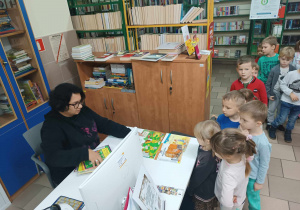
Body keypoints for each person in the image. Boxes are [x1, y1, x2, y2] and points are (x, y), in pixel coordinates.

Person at [41, 83, 131, 186]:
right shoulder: (51, 126)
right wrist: (85, 154)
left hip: (93, 159)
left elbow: (104, 124)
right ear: (61, 105)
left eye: (80, 102)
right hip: (71, 171)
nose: (80, 106)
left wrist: (129, 133)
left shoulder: (81, 110)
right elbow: (53, 157)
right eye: (75, 104)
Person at [211, 128, 256, 210]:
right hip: (239, 196)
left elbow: (226, 203)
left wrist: (222, 201)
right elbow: (251, 157)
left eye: (215, 150)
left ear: (227, 156)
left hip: (232, 205)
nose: (213, 151)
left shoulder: (228, 175)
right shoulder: (241, 154)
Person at [239, 100, 271, 210]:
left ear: (258, 123)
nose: (240, 122)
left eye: (244, 120)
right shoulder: (244, 130)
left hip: (252, 177)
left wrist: (259, 182)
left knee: (253, 199)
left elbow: (264, 164)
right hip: (240, 172)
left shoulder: (263, 143)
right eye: (240, 118)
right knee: (238, 195)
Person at [187, 120, 220, 210]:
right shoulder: (207, 147)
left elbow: (197, 179)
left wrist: (189, 189)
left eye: (197, 137)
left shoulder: (207, 159)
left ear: (208, 141)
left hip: (203, 192)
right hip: (208, 187)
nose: (196, 138)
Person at [265, 47, 297, 131]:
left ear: (291, 60)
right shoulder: (274, 69)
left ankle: (278, 123)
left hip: (285, 95)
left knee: (281, 110)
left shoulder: (293, 69)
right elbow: (268, 83)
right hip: (274, 92)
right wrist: (268, 94)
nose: (284, 62)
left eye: (287, 60)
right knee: (271, 109)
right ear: (279, 58)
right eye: (283, 59)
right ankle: (269, 122)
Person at [269, 68, 300, 142]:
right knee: (282, 118)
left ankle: (288, 131)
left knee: (292, 119)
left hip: (298, 104)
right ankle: (273, 127)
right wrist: (290, 93)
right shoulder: (291, 74)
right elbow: (282, 84)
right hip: (286, 101)